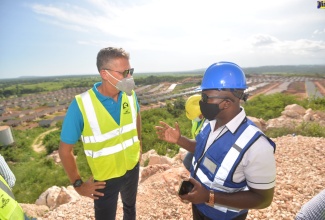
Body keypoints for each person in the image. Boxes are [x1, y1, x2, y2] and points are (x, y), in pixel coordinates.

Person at [155, 61, 276, 220]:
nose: (201, 102)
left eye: (205, 97)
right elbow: (201, 148)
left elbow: (263, 199)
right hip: (198, 207)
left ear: (226, 103)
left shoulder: (256, 145)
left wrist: (209, 197)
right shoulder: (210, 122)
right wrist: (179, 140)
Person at [59, 47, 142, 220]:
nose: (129, 77)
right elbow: (65, 150)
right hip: (105, 178)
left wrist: (139, 145)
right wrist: (78, 184)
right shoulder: (81, 105)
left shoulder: (130, 95)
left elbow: (137, 117)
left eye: (130, 71)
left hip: (132, 166)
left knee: (130, 207)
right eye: (124, 72)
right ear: (104, 74)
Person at [183, 95, 207, 171]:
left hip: (208, 149)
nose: (198, 117)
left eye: (200, 115)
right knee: (187, 162)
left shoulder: (210, 121)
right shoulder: (195, 119)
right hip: (198, 146)